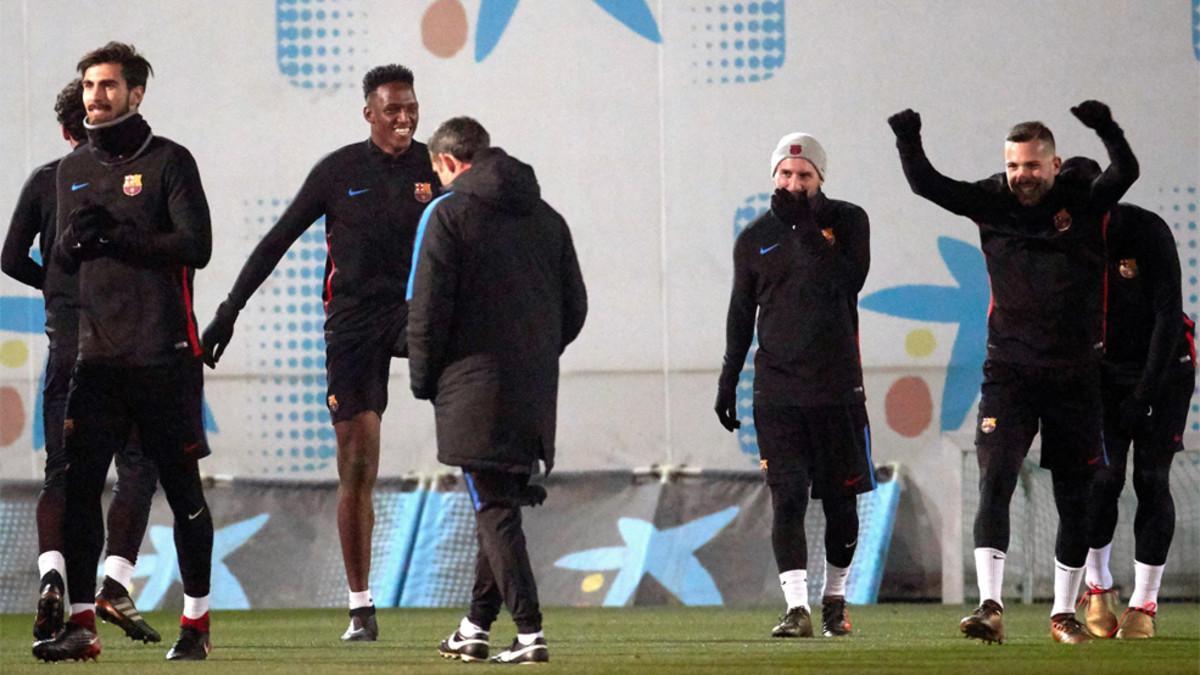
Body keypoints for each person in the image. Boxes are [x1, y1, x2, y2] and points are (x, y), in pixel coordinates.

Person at [200, 64, 439, 641]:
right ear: (368, 114)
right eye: (392, 110)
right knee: (357, 461)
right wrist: (229, 311)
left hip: (416, 315)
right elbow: (276, 240)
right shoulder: (338, 171)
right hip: (353, 324)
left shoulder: (435, 166)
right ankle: (361, 607)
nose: (403, 118)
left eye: (410, 108)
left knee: (473, 388)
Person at [887, 102, 1139, 644]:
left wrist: (1106, 128)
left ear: (1054, 165)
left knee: (1076, 496)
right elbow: (927, 185)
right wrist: (909, 137)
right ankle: (990, 607)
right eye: (1014, 165)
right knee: (995, 477)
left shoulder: (1084, 201)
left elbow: (1126, 173)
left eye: (1032, 165)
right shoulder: (991, 201)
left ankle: (1064, 613)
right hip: (1010, 372)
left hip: (1076, 374)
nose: (1022, 175)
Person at [31, 41, 215, 662]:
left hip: (164, 357)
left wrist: (120, 235)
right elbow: (59, 264)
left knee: (184, 491)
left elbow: (197, 245)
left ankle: (196, 623)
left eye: (108, 85)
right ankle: (81, 625)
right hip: (97, 360)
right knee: (80, 490)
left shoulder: (169, 162)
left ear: (135, 93)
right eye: (88, 85)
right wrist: (73, 247)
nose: (96, 96)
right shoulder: (70, 169)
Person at [407, 117, 587, 664]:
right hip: (533, 389)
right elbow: (575, 307)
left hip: (472, 388)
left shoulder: (446, 214)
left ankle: (530, 634)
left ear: (446, 163)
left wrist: (424, 378)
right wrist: (535, 353)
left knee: (493, 511)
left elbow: (426, 308)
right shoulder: (548, 218)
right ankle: (475, 627)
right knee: (500, 502)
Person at [2, 79, 159, 646]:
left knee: (64, 476)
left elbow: (9, 256)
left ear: (64, 130)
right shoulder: (125, 177)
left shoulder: (47, 180)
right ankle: (114, 580)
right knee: (139, 464)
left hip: (67, 349)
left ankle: (53, 577)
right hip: (128, 348)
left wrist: (54, 284)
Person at [716, 133, 873, 639]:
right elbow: (741, 316)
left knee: (841, 503)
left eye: (804, 175)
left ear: (820, 178)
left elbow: (846, 280)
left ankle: (834, 599)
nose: (793, 183)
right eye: (785, 174)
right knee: (787, 498)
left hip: (837, 390)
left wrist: (806, 225)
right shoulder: (754, 238)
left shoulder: (848, 221)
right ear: (773, 177)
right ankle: (796, 608)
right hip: (778, 393)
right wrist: (727, 378)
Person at [1059, 158, 1196, 640]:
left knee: (1152, 478)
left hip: (1165, 371)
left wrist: (1142, 393)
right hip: (1099, 374)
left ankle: (1145, 604)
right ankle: (1097, 589)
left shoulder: (1146, 230)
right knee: (1103, 479)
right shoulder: (1061, 237)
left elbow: (1167, 316)